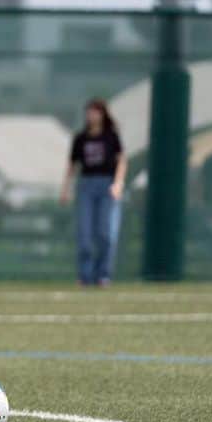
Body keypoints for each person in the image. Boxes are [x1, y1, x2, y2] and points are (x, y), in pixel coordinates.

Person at [60, 99, 125, 287]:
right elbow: (72, 165)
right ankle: (85, 275)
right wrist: (66, 189)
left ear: (102, 114)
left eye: (95, 112)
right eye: (89, 112)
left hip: (107, 185)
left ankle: (103, 275)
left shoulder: (111, 137)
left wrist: (118, 183)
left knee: (106, 233)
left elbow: (121, 160)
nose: (91, 115)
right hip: (86, 185)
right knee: (85, 234)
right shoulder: (80, 138)